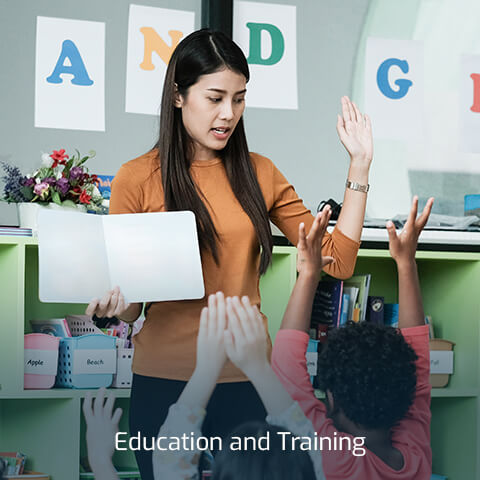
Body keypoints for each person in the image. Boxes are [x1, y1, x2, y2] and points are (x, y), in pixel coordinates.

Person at [86, 28, 373, 479]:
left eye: (239, 99)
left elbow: (338, 260)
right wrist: (115, 306)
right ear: (178, 96)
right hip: (165, 382)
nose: (228, 114)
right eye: (215, 97)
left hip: (246, 379)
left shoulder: (260, 172)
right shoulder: (136, 178)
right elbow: (132, 307)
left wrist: (359, 166)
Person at [83, 282, 331, 479]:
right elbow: (305, 443)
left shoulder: (309, 462)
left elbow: (171, 458)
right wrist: (259, 368)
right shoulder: (308, 464)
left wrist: (101, 461)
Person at [271, 196, 434, 479]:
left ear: (331, 399)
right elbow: (418, 370)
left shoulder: (335, 460)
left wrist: (308, 274)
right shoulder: (415, 458)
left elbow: (419, 367)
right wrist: (406, 263)